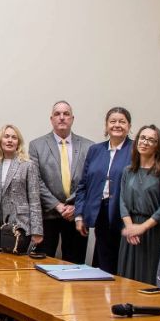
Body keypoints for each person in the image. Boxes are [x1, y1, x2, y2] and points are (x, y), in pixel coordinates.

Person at [28, 101, 94, 263]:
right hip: (48, 215)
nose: (62, 117)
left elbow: (90, 181)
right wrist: (57, 205)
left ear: (72, 118)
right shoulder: (36, 145)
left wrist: (76, 206)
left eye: (66, 114)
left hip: (76, 215)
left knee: (75, 265)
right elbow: (36, 180)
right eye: (57, 114)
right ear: (51, 119)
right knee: (44, 265)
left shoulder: (89, 146)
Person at [75, 107, 133, 274]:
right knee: (103, 263)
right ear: (106, 125)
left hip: (124, 215)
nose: (117, 125)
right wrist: (79, 215)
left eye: (122, 121)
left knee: (122, 265)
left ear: (129, 126)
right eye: (113, 121)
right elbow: (83, 185)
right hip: (99, 213)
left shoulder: (136, 149)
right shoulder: (95, 150)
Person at [118, 124, 160, 284]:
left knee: (150, 281)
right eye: (142, 138)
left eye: (151, 140)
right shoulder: (128, 171)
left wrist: (141, 228)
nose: (145, 142)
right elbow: (122, 202)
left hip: (154, 232)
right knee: (127, 281)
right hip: (131, 233)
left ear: (158, 146)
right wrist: (131, 228)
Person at [0, 124, 43, 246]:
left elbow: (35, 199)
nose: (10, 140)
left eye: (14, 137)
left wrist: (37, 230)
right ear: (0, 141)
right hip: (1, 224)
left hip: (22, 225)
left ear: (18, 142)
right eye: (6, 136)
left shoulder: (27, 165)